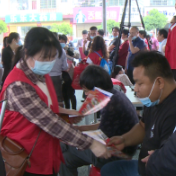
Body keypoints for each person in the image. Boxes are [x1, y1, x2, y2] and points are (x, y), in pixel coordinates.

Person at [0, 27, 111, 176]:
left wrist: (70, 113)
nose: (50, 62)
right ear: (27, 53)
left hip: (45, 151)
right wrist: (90, 143)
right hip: (26, 157)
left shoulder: (41, 74)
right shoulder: (18, 85)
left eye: (53, 57)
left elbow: (47, 107)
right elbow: (48, 121)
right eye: (45, 57)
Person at [102, 51, 176, 176]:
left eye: (140, 83)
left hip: (154, 171)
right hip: (141, 166)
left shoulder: (172, 113)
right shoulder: (154, 99)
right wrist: (124, 140)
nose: (135, 88)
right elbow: (143, 126)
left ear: (159, 82)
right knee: (107, 169)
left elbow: (166, 163)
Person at [59, 65, 139, 176]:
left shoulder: (111, 105)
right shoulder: (116, 95)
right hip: (123, 150)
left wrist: (76, 133)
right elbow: (103, 126)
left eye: (86, 91)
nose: (86, 94)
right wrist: (80, 128)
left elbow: (100, 139)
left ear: (96, 88)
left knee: (63, 149)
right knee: (66, 156)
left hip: (113, 154)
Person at [49, 34, 68, 107]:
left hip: (45, 76)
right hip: (57, 77)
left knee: (48, 96)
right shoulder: (61, 50)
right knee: (58, 97)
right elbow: (65, 67)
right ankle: (60, 115)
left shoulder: (44, 49)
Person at [165, 15, 176, 80]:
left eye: (172, 22)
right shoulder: (172, 28)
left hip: (173, 61)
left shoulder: (173, 28)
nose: (170, 23)